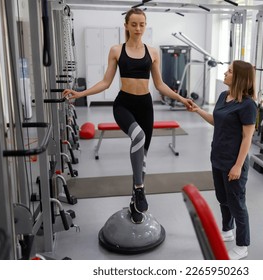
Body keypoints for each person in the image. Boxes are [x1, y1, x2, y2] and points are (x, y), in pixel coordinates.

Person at [63, 8, 192, 224]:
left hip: (145, 106)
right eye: (134, 24)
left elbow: (159, 85)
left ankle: (135, 201)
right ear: (126, 26)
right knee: (138, 136)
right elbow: (106, 82)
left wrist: (181, 99)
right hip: (123, 105)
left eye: (142, 24)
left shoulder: (152, 53)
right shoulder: (116, 50)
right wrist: (81, 93)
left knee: (142, 160)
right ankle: (140, 189)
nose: (138, 28)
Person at [188, 60, 257, 260]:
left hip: (233, 162)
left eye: (229, 71)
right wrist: (198, 111)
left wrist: (237, 166)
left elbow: (247, 138)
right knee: (222, 198)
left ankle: (242, 245)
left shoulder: (248, 105)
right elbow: (216, 120)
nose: (225, 73)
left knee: (237, 204)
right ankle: (227, 230)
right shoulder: (223, 96)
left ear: (239, 78)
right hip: (217, 157)